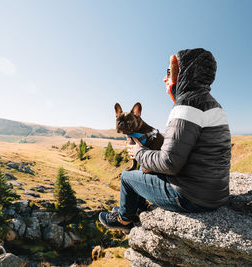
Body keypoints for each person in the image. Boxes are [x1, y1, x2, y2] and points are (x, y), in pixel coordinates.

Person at [99, 48, 231, 232]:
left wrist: (139, 153)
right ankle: (136, 207)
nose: (164, 78)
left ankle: (124, 219)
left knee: (127, 177)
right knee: (148, 174)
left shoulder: (186, 106)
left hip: (192, 197)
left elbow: (169, 163)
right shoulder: (212, 104)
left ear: (182, 74)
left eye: (169, 72)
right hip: (215, 193)